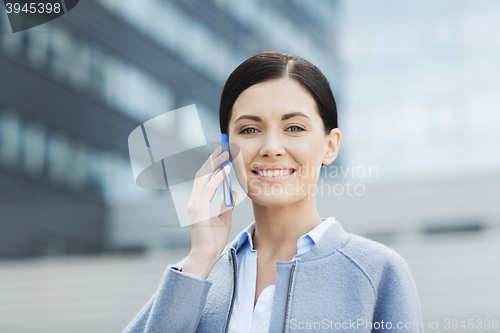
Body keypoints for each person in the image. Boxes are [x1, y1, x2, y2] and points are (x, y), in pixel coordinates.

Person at [122, 51, 424, 333]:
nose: (271, 148)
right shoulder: (197, 277)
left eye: (294, 128)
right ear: (226, 148)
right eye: (250, 130)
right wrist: (200, 259)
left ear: (330, 146)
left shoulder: (377, 272)